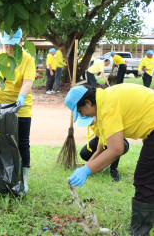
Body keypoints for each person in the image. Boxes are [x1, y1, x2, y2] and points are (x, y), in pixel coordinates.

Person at [65, 84, 154, 235]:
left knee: (143, 179)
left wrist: (87, 170)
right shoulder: (106, 99)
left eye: (81, 111)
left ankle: (138, 232)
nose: (83, 116)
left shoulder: (107, 105)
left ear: (88, 102)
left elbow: (116, 149)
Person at [0, 29, 35, 193]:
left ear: (21, 40)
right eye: (6, 43)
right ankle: (1, 178)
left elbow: (28, 81)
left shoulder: (27, 59)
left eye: (12, 43)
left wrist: (21, 97)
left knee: (22, 142)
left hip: (20, 107)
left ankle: (24, 179)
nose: (8, 46)